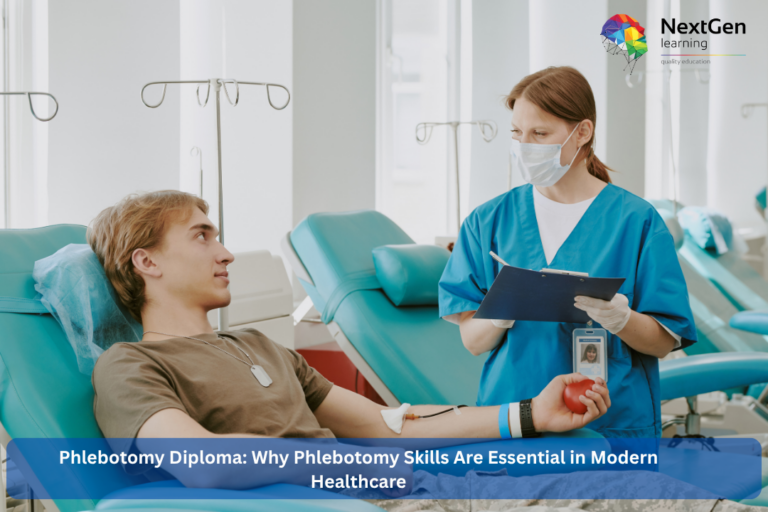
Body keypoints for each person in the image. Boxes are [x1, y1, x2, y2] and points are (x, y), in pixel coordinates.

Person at [87, 190, 611, 490]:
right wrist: (352, 465)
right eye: (202, 236)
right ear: (146, 261)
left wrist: (529, 416)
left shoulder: (260, 346)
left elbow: (386, 424)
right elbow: (205, 462)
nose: (225, 253)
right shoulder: (128, 365)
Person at [438, 66, 696, 438]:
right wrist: (503, 310)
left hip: (611, 423)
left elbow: (662, 341)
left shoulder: (636, 221)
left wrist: (621, 319)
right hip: (514, 416)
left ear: (583, 132)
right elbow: (472, 341)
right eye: (517, 133)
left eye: (539, 134)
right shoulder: (488, 221)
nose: (525, 146)